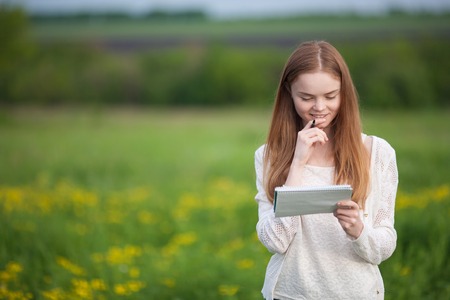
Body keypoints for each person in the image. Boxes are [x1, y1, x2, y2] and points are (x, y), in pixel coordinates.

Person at [254, 40, 398, 300]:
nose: (319, 107)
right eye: (306, 97)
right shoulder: (269, 156)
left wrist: (359, 230)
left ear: (345, 93)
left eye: (331, 96)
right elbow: (276, 241)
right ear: (289, 93)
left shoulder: (378, 153)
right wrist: (297, 163)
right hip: (289, 293)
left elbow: (384, 245)